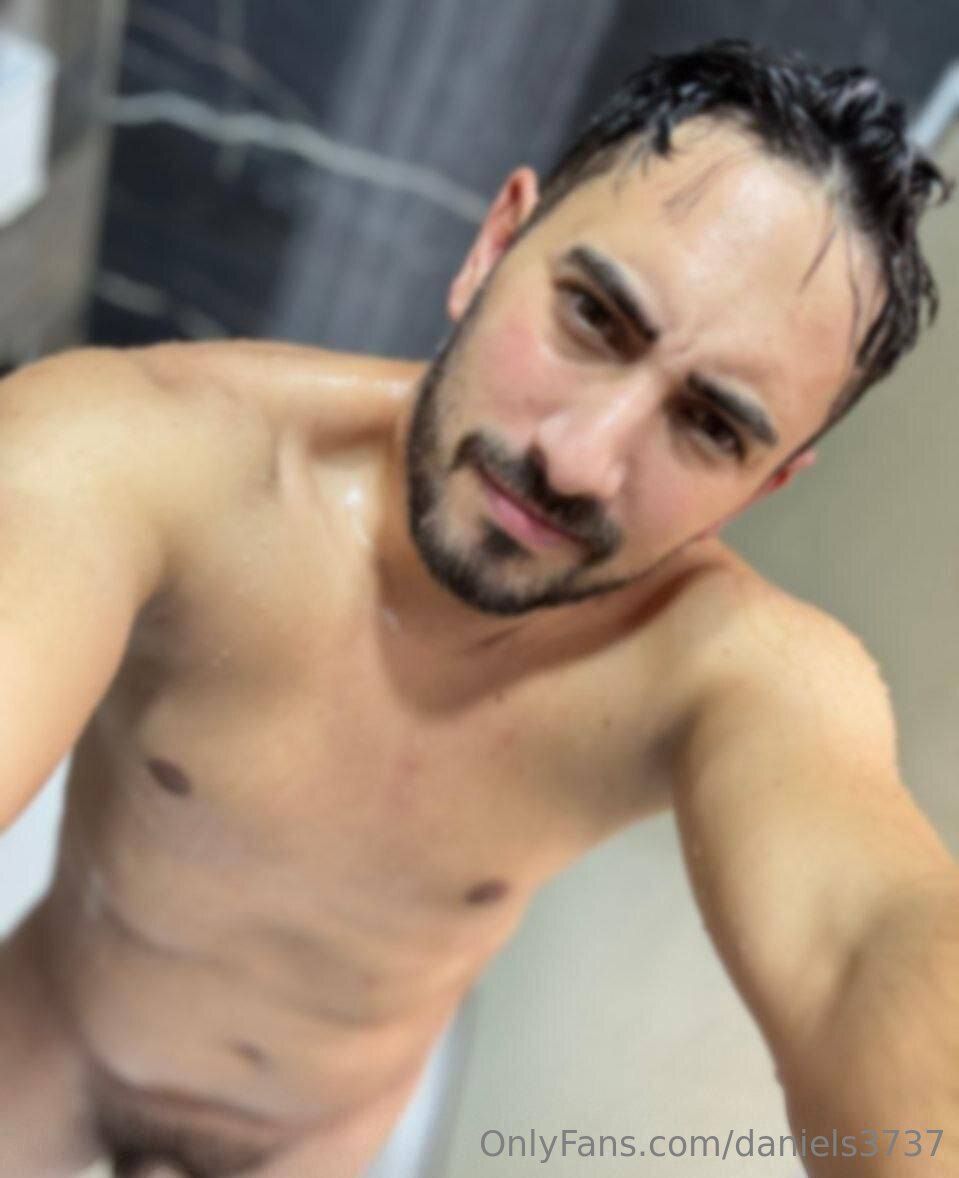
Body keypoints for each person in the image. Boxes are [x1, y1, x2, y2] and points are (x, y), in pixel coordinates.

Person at [0, 38, 955, 1178]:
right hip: (54, 1040)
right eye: (592, 317)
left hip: (314, 1135)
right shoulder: (146, 450)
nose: (579, 460)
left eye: (708, 426)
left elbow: (859, 946)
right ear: (494, 244)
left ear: (762, 487)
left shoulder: (723, 673)